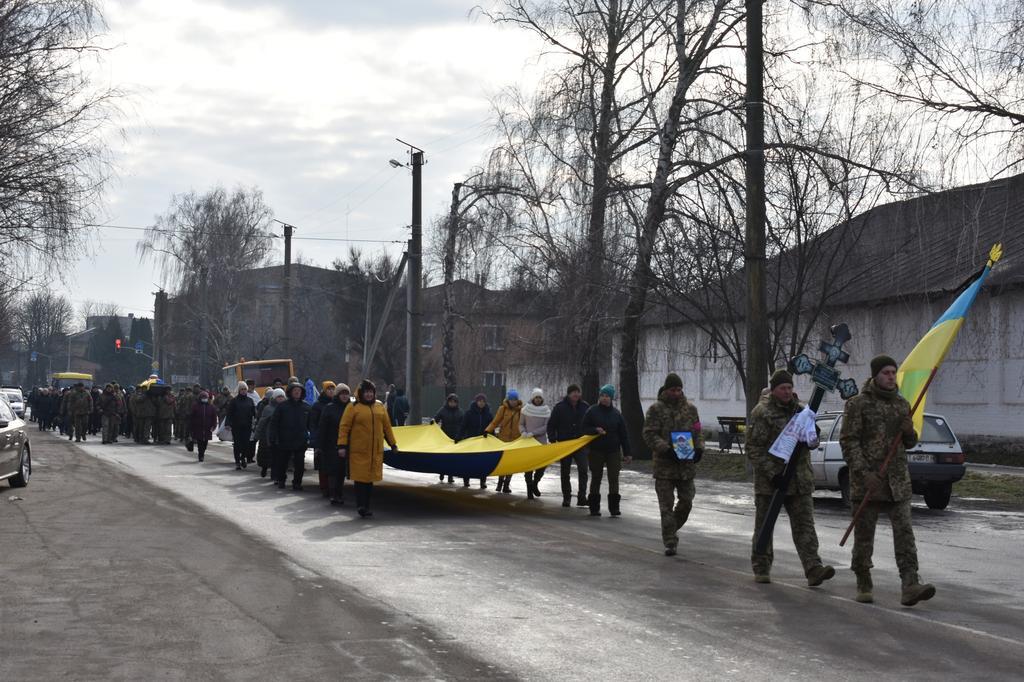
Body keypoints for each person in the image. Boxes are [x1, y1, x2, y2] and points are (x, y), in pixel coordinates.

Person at [840, 355, 936, 607]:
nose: (891, 376)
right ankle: (863, 581)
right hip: (869, 483)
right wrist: (863, 473)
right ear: (875, 375)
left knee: (905, 534)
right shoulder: (857, 404)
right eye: (886, 372)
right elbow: (848, 442)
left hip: (898, 483)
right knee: (864, 538)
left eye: (893, 372)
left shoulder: (902, 405)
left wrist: (908, 432)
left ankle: (910, 584)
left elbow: (909, 443)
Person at [746, 369, 835, 584]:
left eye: (789, 387)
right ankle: (761, 567)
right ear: (774, 390)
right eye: (782, 388)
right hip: (771, 482)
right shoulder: (762, 413)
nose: (787, 392)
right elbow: (753, 448)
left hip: (799, 480)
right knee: (764, 526)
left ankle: (813, 567)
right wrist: (772, 473)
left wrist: (811, 435)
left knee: (805, 526)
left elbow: (814, 439)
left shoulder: (802, 412)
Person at [337, 379, 398, 517]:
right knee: (360, 480)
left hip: (374, 451)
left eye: (371, 392)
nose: (369, 395)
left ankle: (366, 506)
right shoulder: (353, 407)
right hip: (358, 450)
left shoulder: (380, 407)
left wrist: (393, 444)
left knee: (370, 480)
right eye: (366, 392)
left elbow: (387, 427)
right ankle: (361, 505)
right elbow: (344, 427)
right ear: (361, 393)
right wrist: (342, 445)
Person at [581, 384, 630, 517]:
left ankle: (614, 507)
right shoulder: (592, 411)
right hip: (596, 450)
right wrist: (595, 430)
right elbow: (584, 428)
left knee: (613, 478)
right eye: (602, 395)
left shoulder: (617, 414)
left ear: (611, 398)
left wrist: (627, 453)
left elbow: (624, 435)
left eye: (607, 396)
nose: (604, 398)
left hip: (613, 451)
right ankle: (594, 507)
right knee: (596, 477)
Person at [547, 384, 590, 508]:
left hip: (580, 444)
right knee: (565, 471)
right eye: (573, 392)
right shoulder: (560, 407)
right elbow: (551, 425)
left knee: (583, 469)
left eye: (577, 392)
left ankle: (582, 496)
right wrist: (553, 439)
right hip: (564, 444)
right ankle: (567, 497)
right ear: (568, 394)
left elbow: (590, 423)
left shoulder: (585, 407)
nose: (576, 394)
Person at [269, 382, 311, 490]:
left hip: (300, 440)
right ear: (290, 392)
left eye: (299, 390)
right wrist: (273, 437)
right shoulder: (283, 406)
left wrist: (311, 437)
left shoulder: (306, 407)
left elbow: (311, 424)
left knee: (299, 464)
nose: (297, 392)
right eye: (295, 390)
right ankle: (281, 480)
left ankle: (297, 483)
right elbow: (274, 423)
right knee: (282, 462)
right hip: (285, 439)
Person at [316, 383, 351, 505]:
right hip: (330, 444)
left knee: (341, 471)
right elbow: (322, 427)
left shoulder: (351, 408)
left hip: (346, 444)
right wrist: (319, 445)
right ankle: (333, 494)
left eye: (347, 394)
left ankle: (339, 494)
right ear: (338, 395)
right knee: (332, 470)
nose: (345, 396)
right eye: (342, 393)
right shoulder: (329, 408)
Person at [485, 389, 523, 494]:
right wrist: (487, 430)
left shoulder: (521, 410)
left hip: (515, 441)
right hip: (503, 440)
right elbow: (495, 422)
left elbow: (524, 423)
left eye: (515, 399)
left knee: (511, 464)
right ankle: (500, 482)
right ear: (508, 399)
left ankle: (506, 484)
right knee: (503, 462)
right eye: (511, 399)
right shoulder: (502, 409)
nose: (513, 401)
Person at [520, 388, 551, 499]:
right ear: (533, 398)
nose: (538, 399)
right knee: (528, 466)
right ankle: (529, 488)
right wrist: (523, 432)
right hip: (528, 442)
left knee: (542, 465)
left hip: (541, 442)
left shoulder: (546, 411)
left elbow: (546, 427)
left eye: (539, 397)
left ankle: (535, 483)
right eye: (536, 397)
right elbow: (521, 424)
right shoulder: (525, 410)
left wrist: (533, 433)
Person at [457, 393, 493, 489]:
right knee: (468, 461)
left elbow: (491, 427)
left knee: (483, 463)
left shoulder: (488, 414)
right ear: (476, 402)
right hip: (470, 441)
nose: (481, 403)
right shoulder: (469, 413)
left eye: (483, 401)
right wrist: (458, 437)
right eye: (480, 401)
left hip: (483, 442)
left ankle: (483, 481)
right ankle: (466, 480)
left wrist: (491, 436)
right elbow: (463, 426)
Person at [310, 381, 335, 496]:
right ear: (324, 391)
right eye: (328, 389)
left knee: (334, 464)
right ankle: (324, 486)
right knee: (322, 464)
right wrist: (315, 439)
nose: (331, 391)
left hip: (334, 438)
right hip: (321, 438)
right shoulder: (317, 405)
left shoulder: (337, 404)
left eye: (332, 389)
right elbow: (313, 424)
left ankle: (334, 487)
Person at [253, 388, 286, 477]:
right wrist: (257, 435)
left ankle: (277, 475)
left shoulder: (286, 408)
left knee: (280, 457)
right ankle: (269, 471)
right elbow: (262, 422)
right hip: (269, 436)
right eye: (279, 397)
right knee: (270, 456)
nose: (281, 399)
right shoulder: (268, 409)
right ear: (274, 398)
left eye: (282, 397)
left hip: (283, 436)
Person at [225, 381, 256, 470]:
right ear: (239, 390)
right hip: (236, 426)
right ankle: (237, 462)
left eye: (245, 389)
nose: (243, 391)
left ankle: (243, 458)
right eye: (242, 389)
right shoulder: (234, 401)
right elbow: (229, 413)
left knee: (246, 444)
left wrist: (256, 421)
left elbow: (254, 413)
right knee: (238, 444)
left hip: (247, 426)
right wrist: (228, 424)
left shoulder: (250, 400)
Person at [433, 393, 463, 484]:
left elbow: (463, 424)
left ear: (457, 403)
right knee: (444, 457)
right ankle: (442, 472)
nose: (452, 403)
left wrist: (461, 435)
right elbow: (436, 420)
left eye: (454, 402)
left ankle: (450, 475)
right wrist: (432, 423)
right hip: (444, 437)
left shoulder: (460, 412)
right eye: (451, 402)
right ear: (448, 402)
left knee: (452, 458)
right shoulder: (443, 410)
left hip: (455, 438)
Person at [189, 391, 219, 462]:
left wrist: (214, 426)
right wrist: (191, 427)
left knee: (205, 443)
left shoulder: (211, 407)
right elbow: (192, 417)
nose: (204, 399)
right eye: (203, 397)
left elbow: (214, 418)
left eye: (205, 398)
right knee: (200, 443)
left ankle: (203, 452)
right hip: (198, 427)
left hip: (208, 428)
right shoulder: (195, 406)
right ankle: (201, 455)